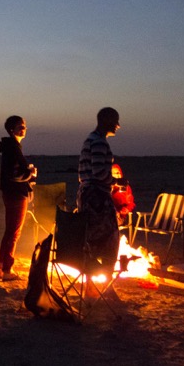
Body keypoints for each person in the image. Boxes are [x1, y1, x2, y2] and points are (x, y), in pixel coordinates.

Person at [77, 107, 121, 272]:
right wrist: (117, 181)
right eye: (116, 120)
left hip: (87, 194)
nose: (118, 125)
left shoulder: (91, 139)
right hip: (97, 198)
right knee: (108, 239)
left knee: (92, 240)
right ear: (107, 121)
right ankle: (106, 282)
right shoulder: (99, 142)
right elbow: (99, 172)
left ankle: (91, 284)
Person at [0, 115, 37, 281]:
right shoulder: (13, 147)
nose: (23, 129)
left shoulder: (12, 147)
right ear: (11, 129)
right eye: (20, 126)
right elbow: (13, 174)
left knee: (10, 231)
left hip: (11, 192)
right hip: (16, 194)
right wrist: (30, 174)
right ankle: (7, 270)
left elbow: (11, 172)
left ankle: (2, 266)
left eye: (24, 126)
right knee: (14, 232)